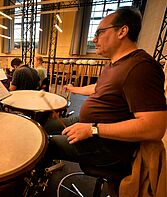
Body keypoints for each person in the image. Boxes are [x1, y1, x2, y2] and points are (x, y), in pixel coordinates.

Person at [42, 6, 166, 179]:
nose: (94, 39)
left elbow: (154, 128)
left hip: (109, 145)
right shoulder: (114, 63)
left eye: (100, 32)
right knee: (44, 125)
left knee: (43, 144)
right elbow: (99, 88)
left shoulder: (141, 68)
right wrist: (73, 89)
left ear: (122, 31)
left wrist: (93, 129)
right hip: (91, 124)